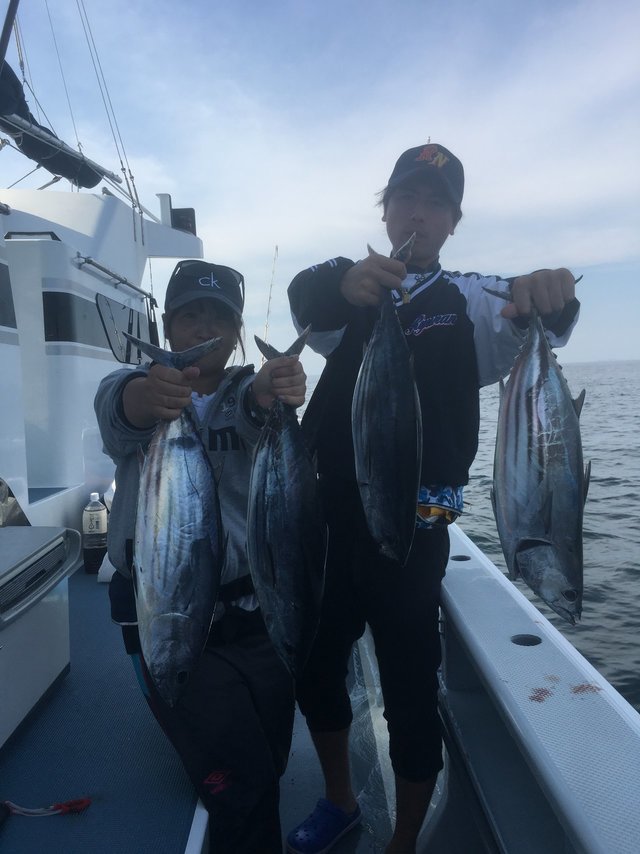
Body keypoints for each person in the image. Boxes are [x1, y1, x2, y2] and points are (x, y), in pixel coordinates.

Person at [285, 143, 580, 854]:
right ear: (384, 210)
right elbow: (306, 294)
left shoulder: (472, 301)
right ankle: (339, 800)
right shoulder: (348, 289)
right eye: (406, 198)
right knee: (316, 666)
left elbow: (538, 305)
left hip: (418, 527)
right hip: (331, 519)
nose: (419, 211)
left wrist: (553, 295)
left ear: (453, 221)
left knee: (412, 690)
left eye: (436, 202)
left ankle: (405, 841)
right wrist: (348, 284)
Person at [95, 259, 306, 854]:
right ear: (167, 326)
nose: (202, 327)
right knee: (243, 785)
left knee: (273, 755)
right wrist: (147, 393)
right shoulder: (129, 385)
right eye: (190, 315)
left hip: (257, 611)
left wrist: (275, 390)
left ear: (238, 332)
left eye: (219, 317)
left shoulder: (247, 390)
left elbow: (258, 402)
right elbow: (123, 414)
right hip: (168, 611)